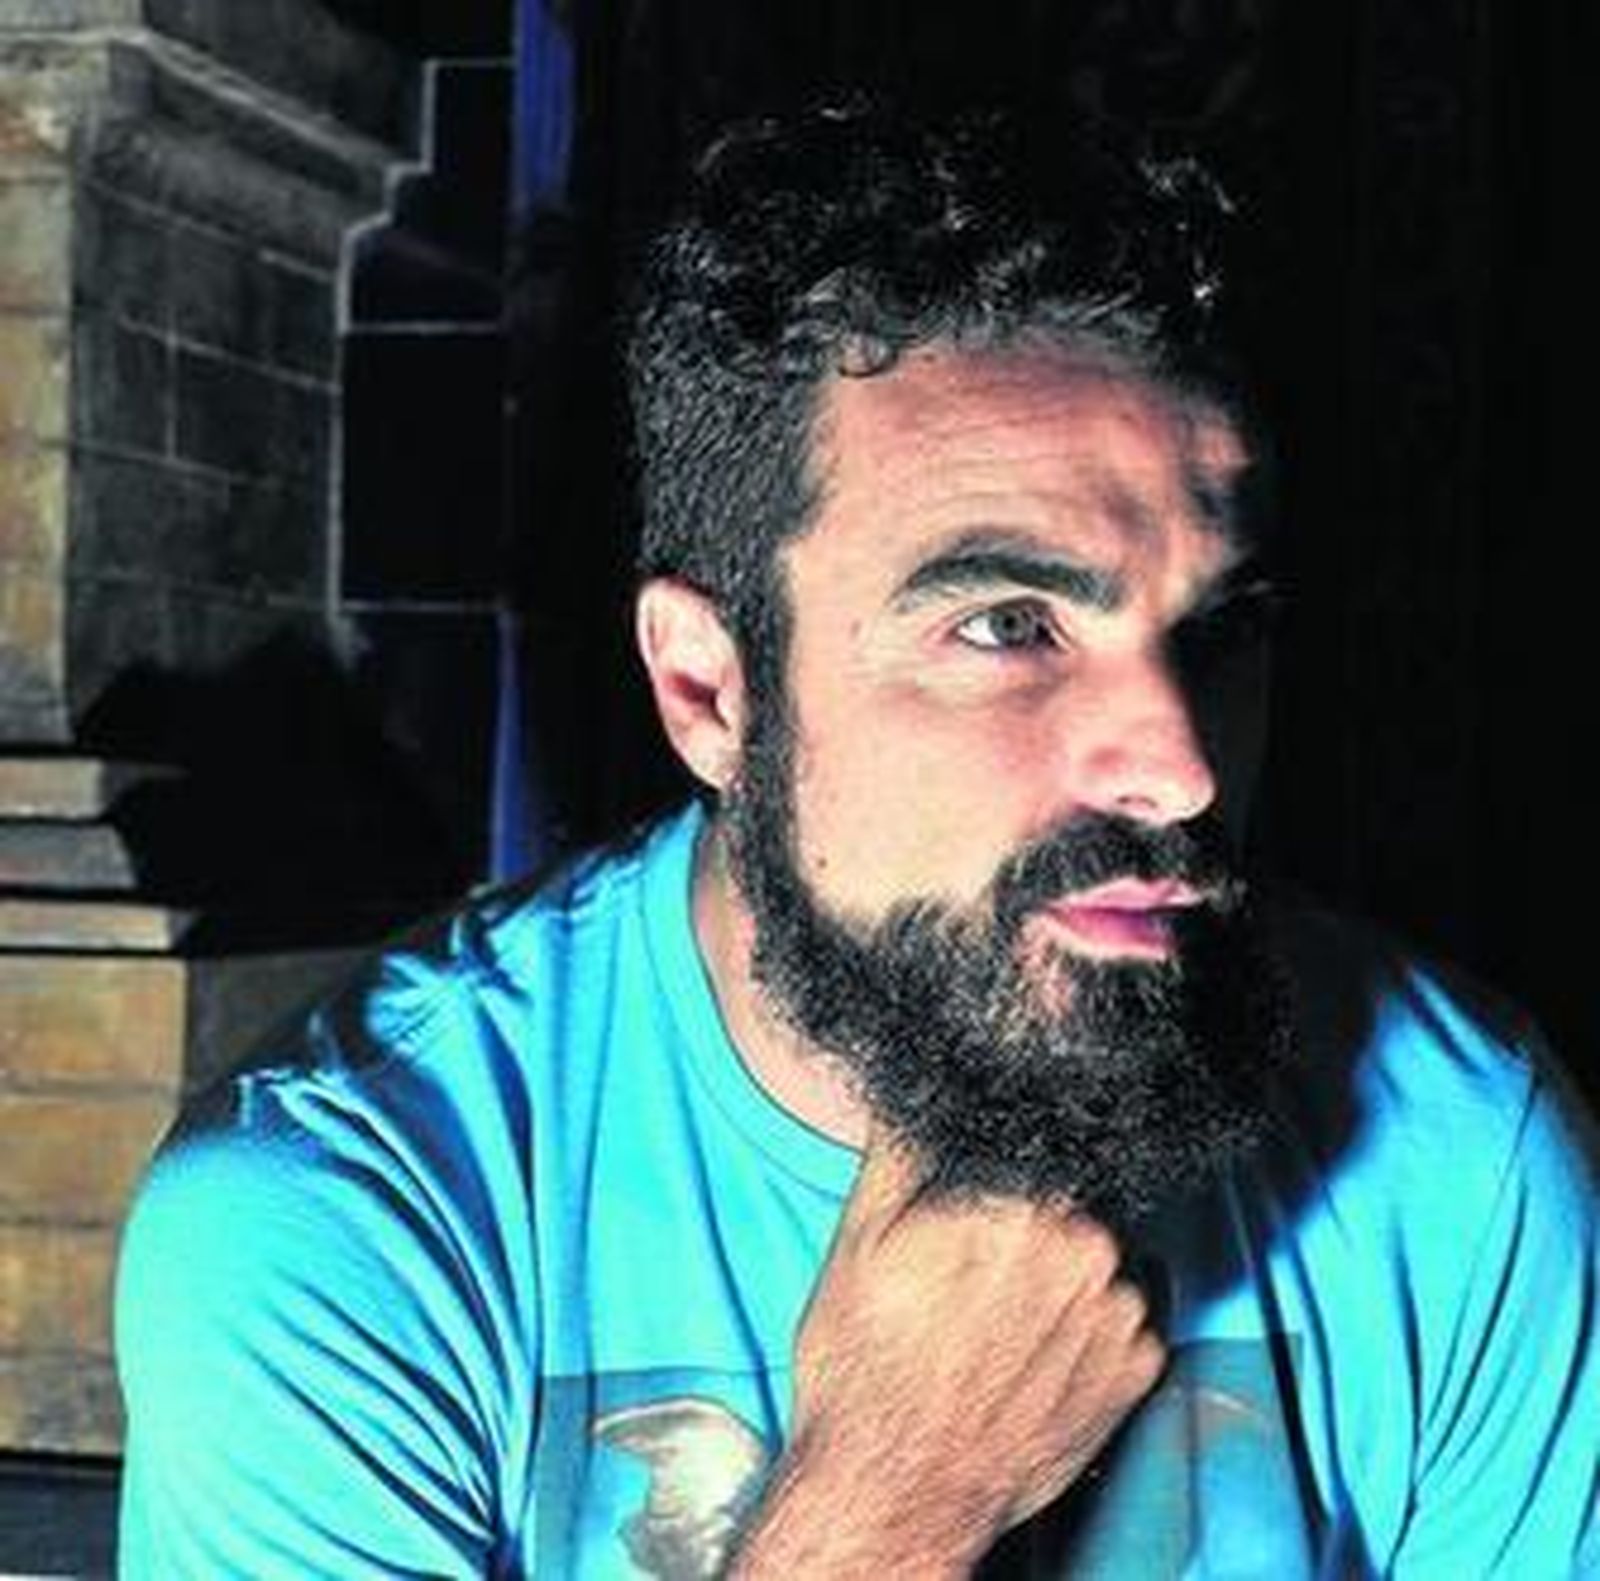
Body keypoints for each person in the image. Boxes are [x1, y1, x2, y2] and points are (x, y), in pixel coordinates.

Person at [115, 102, 1599, 1578]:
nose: (1182, 769)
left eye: (1218, 630)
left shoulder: (1460, 1153)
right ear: (709, 691)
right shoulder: (346, 1223)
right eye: (1007, 625)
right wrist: (896, 1501)